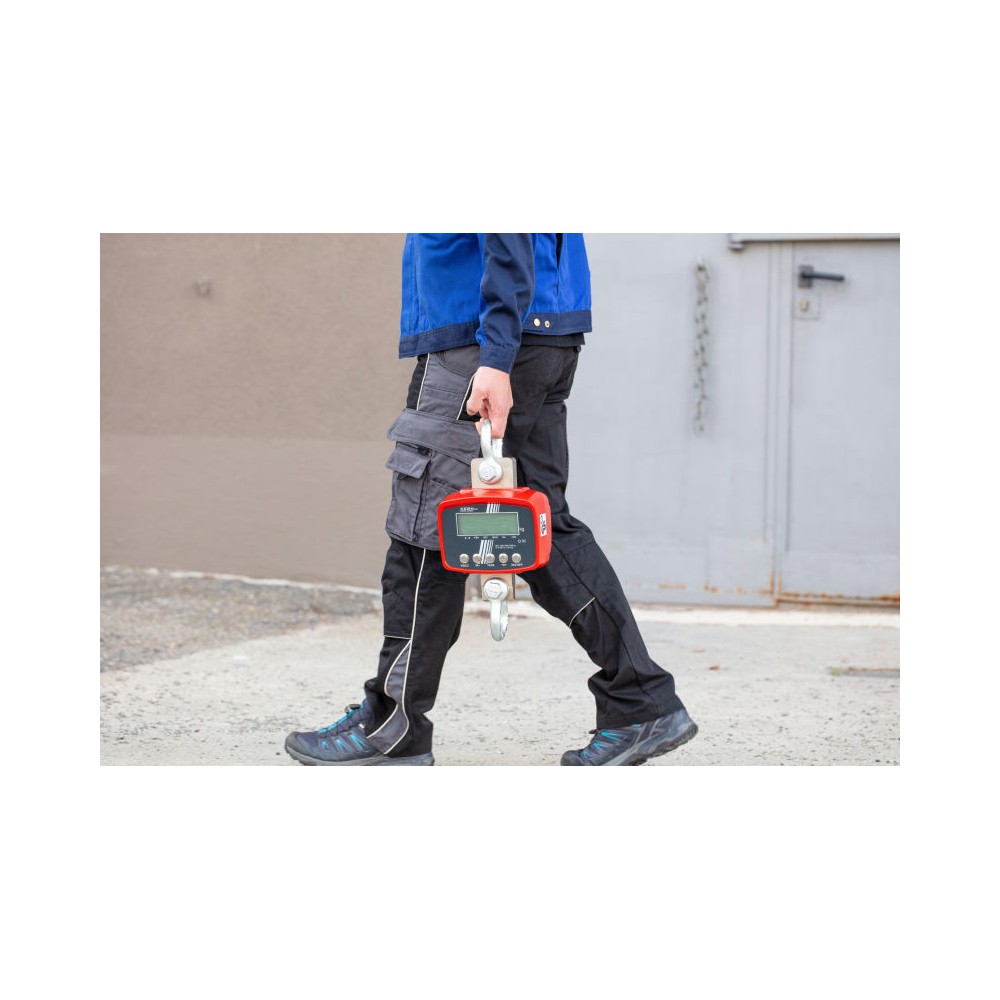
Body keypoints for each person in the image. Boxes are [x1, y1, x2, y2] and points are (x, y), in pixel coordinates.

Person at [284, 233, 698, 766]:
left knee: (423, 534)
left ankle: (393, 727)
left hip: (481, 343)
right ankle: (642, 703)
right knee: (545, 529)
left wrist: (497, 356)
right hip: (540, 332)